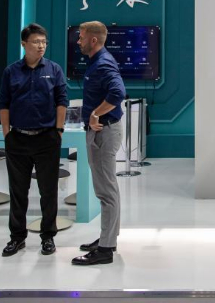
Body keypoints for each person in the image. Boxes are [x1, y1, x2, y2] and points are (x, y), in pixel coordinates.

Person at [0, 23, 68, 258]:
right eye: (36, 42)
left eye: (44, 42)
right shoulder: (11, 72)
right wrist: (6, 133)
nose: (41, 46)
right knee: (18, 191)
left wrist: (58, 130)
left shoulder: (54, 69)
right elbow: (4, 103)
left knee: (48, 191)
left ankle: (48, 237)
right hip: (18, 139)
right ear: (24, 44)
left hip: (47, 138)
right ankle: (17, 238)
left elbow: (62, 101)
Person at [71, 21, 126, 266]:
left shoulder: (103, 63)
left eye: (81, 37)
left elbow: (117, 93)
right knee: (108, 189)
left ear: (93, 40)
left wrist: (95, 114)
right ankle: (108, 239)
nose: (78, 41)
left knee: (106, 192)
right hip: (104, 130)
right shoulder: (97, 61)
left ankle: (105, 250)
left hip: (104, 131)